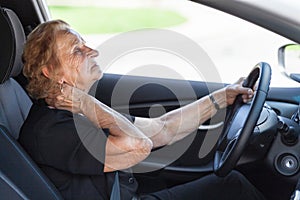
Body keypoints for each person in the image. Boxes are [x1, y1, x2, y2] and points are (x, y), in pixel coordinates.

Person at [18, 20, 265, 200]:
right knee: (233, 187)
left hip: (129, 191)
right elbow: (139, 146)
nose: (93, 52)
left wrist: (222, 98)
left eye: (86, 45)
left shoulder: (77, 111)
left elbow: (163, 129)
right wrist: (85, 102)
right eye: (77, 51)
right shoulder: (51, 130)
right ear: (50, 72)